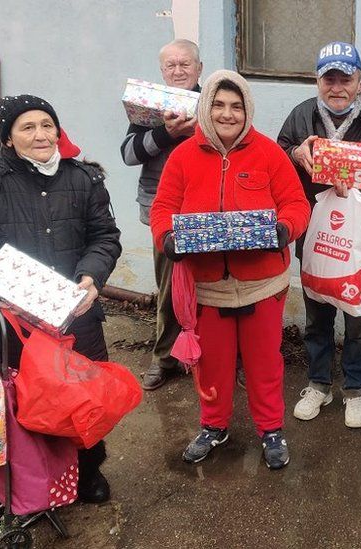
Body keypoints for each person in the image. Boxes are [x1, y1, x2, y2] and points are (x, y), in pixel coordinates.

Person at [0, 94, 122, 503]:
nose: (40, 135)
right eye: (27, 127)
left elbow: (104, 237)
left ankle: (87, 474)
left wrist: (92, 276)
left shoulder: (83, 179)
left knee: (83, 402)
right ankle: (20, 485)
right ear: (9, 139)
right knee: (19, 408)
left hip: (76, 317)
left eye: (47, 125)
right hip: (14, 323)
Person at [149, 70, 311, 470]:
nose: (227, 114)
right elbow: (163, 208)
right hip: (206, 287)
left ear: (247, 110)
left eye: (236, 106)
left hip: (261, 285)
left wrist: (283, 230)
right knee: (212, 365)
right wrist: (167, 237)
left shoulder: (269, 154)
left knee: (265, 363)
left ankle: (271, 429)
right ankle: (213, 425)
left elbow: (296, 204)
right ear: (206, 107)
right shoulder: (183, 156)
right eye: (219, 105)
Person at [276, 41, 361, 429]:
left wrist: (357, 173)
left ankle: (356, 390)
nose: (337, 87)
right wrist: (294, 155)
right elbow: (279, 156)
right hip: (315, 237)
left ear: (360, 79)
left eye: (345, 78)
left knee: (357, 320)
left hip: (360, 242)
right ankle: (319, 384)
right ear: (318, 81)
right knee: (317, 315)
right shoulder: (302, 116)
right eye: (328, 78)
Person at [121, 39, 204, 391]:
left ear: (199, 68)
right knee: (170, 287)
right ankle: (165, 356)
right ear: (162, 71)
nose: (178, 71)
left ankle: (216, 357)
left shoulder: (214, 101)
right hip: (164, 212)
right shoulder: (151, 107)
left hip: (207, 209)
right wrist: (165, 133)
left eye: (185, 64)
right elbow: (128, 154)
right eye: (170, 65)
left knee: (214, 287)